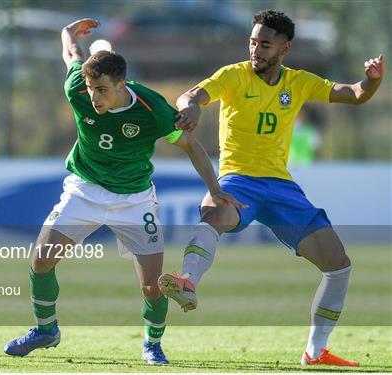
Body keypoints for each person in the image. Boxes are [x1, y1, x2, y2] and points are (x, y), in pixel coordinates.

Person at [3, 19, 244, 365]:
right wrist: (69, 33)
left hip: (134, 200)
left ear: (121, 84)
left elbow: (190, 145)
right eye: (89, 87)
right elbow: (71, 52)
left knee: (152, 286)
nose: (93, 96)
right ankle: (46, 330)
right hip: (84, 189)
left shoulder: (153, 111)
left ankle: (152, 344)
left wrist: (215, 188)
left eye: (101, 89)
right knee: (40, 261)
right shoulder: (77, 89)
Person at [158, 9, 383, 367]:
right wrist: (191, 109)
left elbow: (354, 94)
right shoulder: (233, 76)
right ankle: (187, 282)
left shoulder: (299, 82)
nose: (255, 50)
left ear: (284, 49)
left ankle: (315, 351)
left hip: (281, 187)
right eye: (252, 42)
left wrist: (371, 80)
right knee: (214, 210)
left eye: (265, 44)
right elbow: (192, 95)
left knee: (338, 264)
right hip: (239, 180)